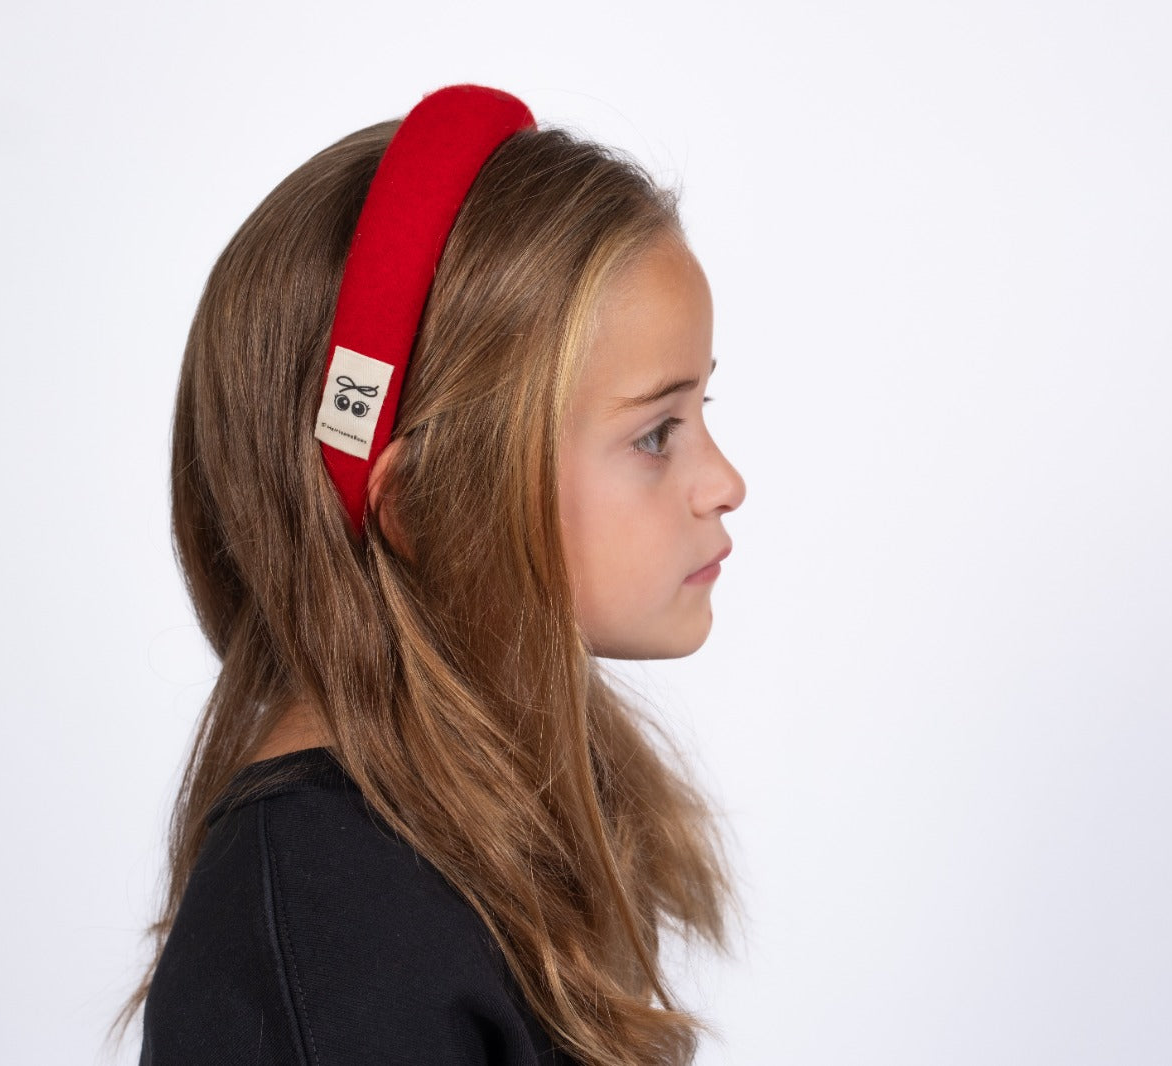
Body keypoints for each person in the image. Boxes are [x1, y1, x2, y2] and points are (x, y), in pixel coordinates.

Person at [121, 85, 746, 1066]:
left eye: (703, 408)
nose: (726, 483)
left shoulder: (452, 830)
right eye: (656, 433)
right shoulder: (329, 927)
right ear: (428, 505)